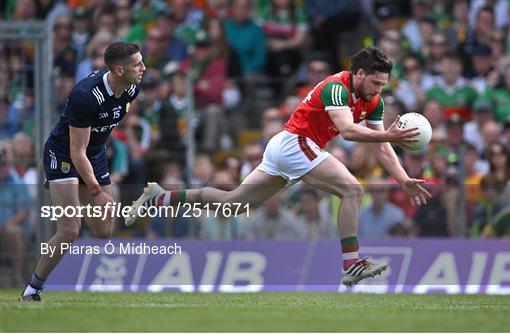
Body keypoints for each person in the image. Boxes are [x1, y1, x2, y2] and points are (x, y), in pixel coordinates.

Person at [126, 47, 430, 287]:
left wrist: (402, 178)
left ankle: (160, 197)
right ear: (360, 73)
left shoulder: (372, 100)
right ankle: (351, 264)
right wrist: (389, 133)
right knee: (352, 189)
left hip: (291, 147)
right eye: (376, 82)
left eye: (383, 85)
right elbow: (348, 130)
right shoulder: (336, 88)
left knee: (232, 205)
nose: (379, 90)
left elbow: (380, 144)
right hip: (294, 143)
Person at [20, 42, 145, 301]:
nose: (143, 68)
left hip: (95, 154)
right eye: (137, 64)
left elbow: (103, 129)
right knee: (70, 229)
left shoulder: (132, 89)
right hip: (64, 154)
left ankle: (76, 189)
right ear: (119, 70)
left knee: (104, 231)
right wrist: (96, 191)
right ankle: (32, 290)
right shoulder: (86, 95)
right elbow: (77, 151)